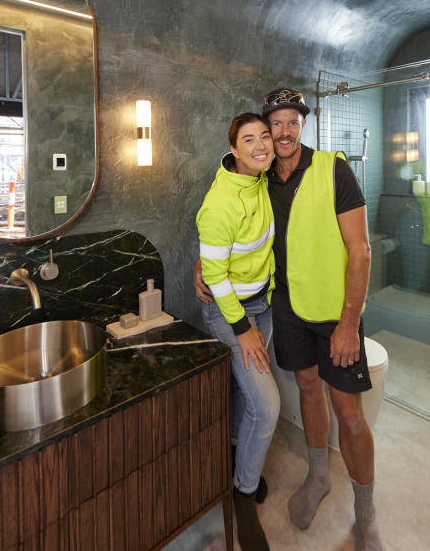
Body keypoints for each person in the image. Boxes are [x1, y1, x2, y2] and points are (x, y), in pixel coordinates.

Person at [195, 89, 382, 551]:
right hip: (286, 309)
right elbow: (227, 220)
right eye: (272, 124)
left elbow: (360, 251)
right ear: (252, 139)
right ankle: (317, 476)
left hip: (334, 314)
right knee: (307, 389)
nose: (280, 133)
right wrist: (203, 264)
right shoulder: (262, 178)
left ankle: (366, 513)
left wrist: (348, 322)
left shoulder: (333, 169)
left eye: (289, 123)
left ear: (302, 125)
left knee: (351, 414)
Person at [195, 112, 280, 551]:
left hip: (262, 305)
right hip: (231, 315)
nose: (262, 144)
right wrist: (243, 328)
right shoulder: (221, 201)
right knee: (266, 407)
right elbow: (216, 274)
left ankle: (233, 457)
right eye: (250, 139)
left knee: (245, 394)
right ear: (234, 150)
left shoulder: (259, 180)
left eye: (264, 135)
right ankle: (242, 495)